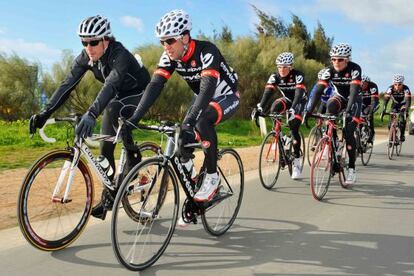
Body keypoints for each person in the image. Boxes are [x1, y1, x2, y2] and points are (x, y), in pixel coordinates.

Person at [28, 15, 151, 219]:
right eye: (84, 42)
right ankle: (110, 194)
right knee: (105, 150)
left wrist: (92, 113)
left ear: (106, 40)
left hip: (140, 92)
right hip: (118, 95)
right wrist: (44, 113)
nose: (89, 47)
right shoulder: (87, 56)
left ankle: (134, 157)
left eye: (93, 42)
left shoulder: (119, 54)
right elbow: (67, 85)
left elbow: (111, 85)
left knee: (111, 110)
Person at [121, 9, 240, 206]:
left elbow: (207, 89)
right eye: (162, 42)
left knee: (201, 121)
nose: (166, 46)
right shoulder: (170, 57)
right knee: (180, 140)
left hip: (225, 96)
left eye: (169, 41)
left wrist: (190, 122)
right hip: (202, 97)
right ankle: (193, 181)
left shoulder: (207, 51)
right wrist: (134, 119)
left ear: (184, 37)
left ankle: (212, 177)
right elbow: (154, 86)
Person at [306, 43, 362, 185]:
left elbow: (354, 91)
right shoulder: (329, 71)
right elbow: (318, 91)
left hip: (354, 100)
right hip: (340, 98)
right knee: (331, 105)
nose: (336, 62)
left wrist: (348, 111)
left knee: (348, 132)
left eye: (340, 59)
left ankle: (351, 169)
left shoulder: (355, 69)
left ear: (347, 59)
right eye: (334, 59)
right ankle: (333, 140)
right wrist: (309, 111)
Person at [252, 52, 307, 180]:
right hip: (287, 99)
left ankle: (297, 161)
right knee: (274, 107)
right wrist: (260, 107)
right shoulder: (274, 76)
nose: (282, 70)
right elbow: (268, 92)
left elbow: (299, 93)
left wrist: (293, 109)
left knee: (294, 127)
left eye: (285, 67)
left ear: (291, 67)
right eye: (279, 67)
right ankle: (280, 136)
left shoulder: (298, 75)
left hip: (299, 101)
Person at [381, 74, 411, 142]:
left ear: (402, 84)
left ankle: (402, 135)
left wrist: (406, 110)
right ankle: (392, 137)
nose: (397, 86)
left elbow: (408, 101)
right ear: (393, 83)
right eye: (395, 84)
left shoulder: (406, 89)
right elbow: (386, 100)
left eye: (399, 84)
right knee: (390, 124)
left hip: (403, 104)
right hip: (395, 105)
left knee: (402, 119)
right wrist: (384, 109)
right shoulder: (390, 88)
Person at [360, 75, 379, 143]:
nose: (363, 85)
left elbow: (374, 101)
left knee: (367, 114)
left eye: (365, 83)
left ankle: (371, 133)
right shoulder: (357, 86)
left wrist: (370, 113)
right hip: (362, 103)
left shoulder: (372, 86)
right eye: (362, 83)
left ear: (368, 83)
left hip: (372, 103)